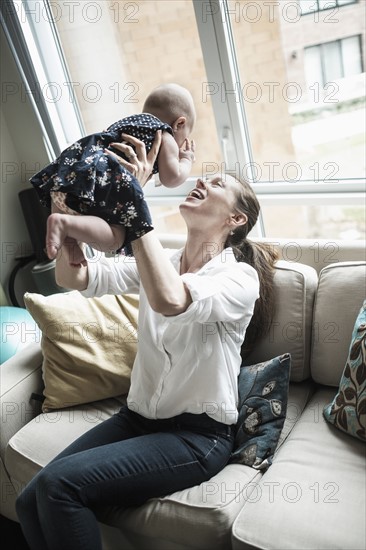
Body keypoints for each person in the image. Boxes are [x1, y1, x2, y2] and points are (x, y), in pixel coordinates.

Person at [16, 131, 278, 550]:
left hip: (197, 437)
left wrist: (132, 201)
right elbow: (76, 278)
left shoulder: (238, 278)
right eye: (205, 177)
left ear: (236, 220)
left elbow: (172, 300)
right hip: (137, 420)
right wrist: (68, 223)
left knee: (60, 488)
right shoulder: (163, 261)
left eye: (219, 184)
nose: (203, 182)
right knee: (31, 497)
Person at [30, 83, 196, 265]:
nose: (179, 146)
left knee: (73, 219)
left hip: (69, 179)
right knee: (116, 236)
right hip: (99, 186)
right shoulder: (165, 135)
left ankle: (70, 240)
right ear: (180, 123)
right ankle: (64, 225)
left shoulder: (128, 123)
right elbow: (171, 178)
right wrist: (186, 160)